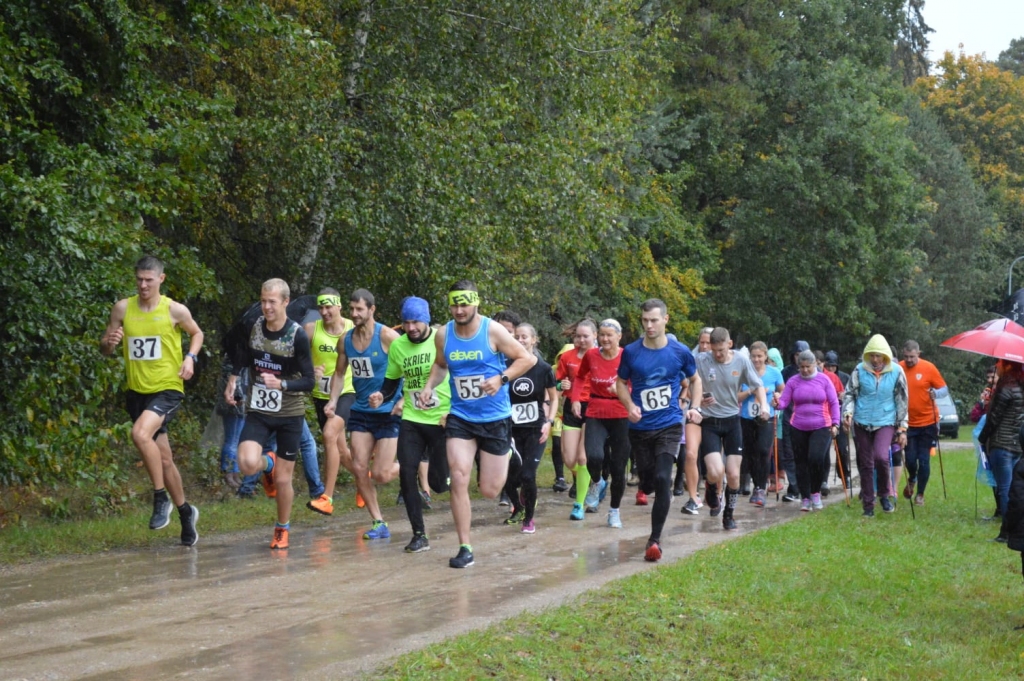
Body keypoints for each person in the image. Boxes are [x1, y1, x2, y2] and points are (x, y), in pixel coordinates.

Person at [418, 281, 537, 568]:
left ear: (476, 303)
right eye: (454, 304)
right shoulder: (443, 334)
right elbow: (440, 365)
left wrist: (502, 378)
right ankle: (465, 547)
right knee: (458, 476)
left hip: (495, 418)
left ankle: (507, 452)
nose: (459, 310)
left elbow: (527, 358)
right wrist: (428, 386)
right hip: (461, 417)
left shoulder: (492, 331)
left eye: (464, 304)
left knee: (489, 490)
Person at [100, 255, 202, 546]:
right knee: (165, 458)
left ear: (161, 279)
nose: (143, 285)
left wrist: (190, 358)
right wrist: (108, 343)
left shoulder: (174, 310)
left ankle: (160, 498)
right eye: (139, 280)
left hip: (168, 388)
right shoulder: (122, 308)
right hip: (137, 392)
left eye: (149, 280)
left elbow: (197, 333)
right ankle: (185, 513)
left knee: (139, 434)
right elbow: (105, 347)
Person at [226, 278, 315, 549]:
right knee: (246, 463)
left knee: (284, 481)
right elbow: (244, 355)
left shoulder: (297, 334)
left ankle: (282, 527)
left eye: (272, 302)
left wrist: (283, 383)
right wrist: (233, 378)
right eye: (263, 301)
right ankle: (269, 463)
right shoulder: (254, 327)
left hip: (289, 414)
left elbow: (309, 381)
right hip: (260, 410)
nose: (266, 307)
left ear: (285, 302)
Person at [616, 299, 702, 561]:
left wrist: (695, 407)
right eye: (645, 320)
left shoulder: (679, 352)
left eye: (654, 320)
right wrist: (629, 404)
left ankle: (655, 540)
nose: (649, 325)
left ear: (665, 319)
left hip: (669, 424)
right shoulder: (631, 352)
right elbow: (620, 383)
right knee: (650, 481)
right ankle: (650, 486)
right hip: (640, 427)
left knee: (664, 478)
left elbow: (695, 380)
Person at [367, 297, 451, 552]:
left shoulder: (442, 339)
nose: (411, 327)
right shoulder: (398, 345)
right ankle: (419, 535)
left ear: (426, 320)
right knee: (406, 473)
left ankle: (447, 479)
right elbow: (392, 380)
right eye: (406, 322)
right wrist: (382, 394)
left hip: (441, 418)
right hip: (412, 419)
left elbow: (459, 375)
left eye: (416, 321)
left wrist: (455, 412)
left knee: (438, 484)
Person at [324, 289, 402, 540]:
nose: (354, 314)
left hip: (388, 412)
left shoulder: (388, 337)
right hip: (361, 411)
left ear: (372, 310)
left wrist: (400, 399)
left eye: (359, 309)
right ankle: (378, 521)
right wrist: (333, 401)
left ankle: (413, 462)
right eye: (352, 309)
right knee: (359, 467)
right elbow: (338, 373)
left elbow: (408, 370)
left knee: (381, 473)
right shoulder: (345, 340)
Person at [696, 327, 770, 530]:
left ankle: (728, 514)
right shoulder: (702, 360)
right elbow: (688, 381)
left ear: (729, 344)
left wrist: (764, 405)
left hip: (732, 422)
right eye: (714, 350)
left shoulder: (741, 360)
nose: (717, 354)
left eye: (721, 350)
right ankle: (711, 487)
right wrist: (700, 397)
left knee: (734, 475)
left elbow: (758, 385)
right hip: (710, 421)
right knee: (715, 471)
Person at [571, 319, 630, 527]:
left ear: (619, 337)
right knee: (593, 456)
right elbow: (579, 377)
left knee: (618, 467)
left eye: (609, 335)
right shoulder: (591, 355)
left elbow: (637, 383)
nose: (605, 339)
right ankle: (597, 482)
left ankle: (614, 511)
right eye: (602, 335)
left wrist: (625, 391)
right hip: (596, 410)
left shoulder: (626, 356)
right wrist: (576, 399)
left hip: (621, 413)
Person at [841, 334, 908, 517]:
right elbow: (850, 394)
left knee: (881, 457)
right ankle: (868, 506)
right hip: (862, 421)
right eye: (872, 355)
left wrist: (902, 428)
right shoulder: (859, 370)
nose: (875, 359)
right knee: (866, 463)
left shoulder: (896, 371)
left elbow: (902, 400)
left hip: (885, 421)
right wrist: (847, 414)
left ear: (885, 355)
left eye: (878, 355)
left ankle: (885, 495)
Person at [304, 288, 356, 516]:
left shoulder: (353, 329)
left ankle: (327, 497)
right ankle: (365, 480)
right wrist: (307, 371)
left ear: (339, 306)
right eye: (321, 307)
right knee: (342, 451)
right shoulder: (310, 330)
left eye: (329, 307)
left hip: (347, 391)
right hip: (320, 395)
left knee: (328, 435)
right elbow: (294, 356)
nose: (324, 312)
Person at [504, 323, 558, 533]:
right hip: (512, 430)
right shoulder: (507, 366)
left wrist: (549, 422)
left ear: (534, 340)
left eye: (525, 336)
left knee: (528, 475)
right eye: (517, 336)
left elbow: (554, 399)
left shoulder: (543, 368)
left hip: (535, 428)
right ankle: (517, 505)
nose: (520, 340)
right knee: (507, 479)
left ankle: (529, 519)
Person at [777, 350, 841, 511]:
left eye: (808, 367)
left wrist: (836, 423)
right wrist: (776, 403)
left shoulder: (824, 380)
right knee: (801, 462)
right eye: (802, 367)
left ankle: (815, 492)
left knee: (816, 458)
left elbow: (833, 403)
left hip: (821, 425)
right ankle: (805, 497)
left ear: (815, 365)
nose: (805, 370)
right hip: (798, 426)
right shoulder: (793, 381)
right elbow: (784, 402)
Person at [899, 340, 949, 506]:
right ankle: (912, 477)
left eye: (912, 357)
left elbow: (944, 389)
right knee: (911, 459)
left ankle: (920, 494)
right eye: (906, 357)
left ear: (918, 354)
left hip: (928, 421)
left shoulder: (929, 367)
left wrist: (936, 393)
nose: (909, 360)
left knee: (924, 459)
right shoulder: (899, 368)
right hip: (908, 423)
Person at [979, 359, 1024, 542]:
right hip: (1017, 444)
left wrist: (983, 438)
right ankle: (1012, 529)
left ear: (1007, 366)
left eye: (999, 364)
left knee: (1004, 489)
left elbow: (994, 418)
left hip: (1001, 443)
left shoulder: (1005, 389)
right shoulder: (1021, 387)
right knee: (1013, 489)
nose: (997, 367)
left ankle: (1006, 532)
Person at [556, 320, 598, 517]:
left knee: (583, 457)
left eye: (586, 336)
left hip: (593, 408)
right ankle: (594, 480)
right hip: (571, 407)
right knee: (570, 459)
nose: (581, 340)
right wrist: (560, 385)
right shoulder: (567, 357)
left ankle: (579, 504)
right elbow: (556, 381)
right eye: (578, 336)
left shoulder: (600, 356)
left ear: (595, 336)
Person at [739, 341, 785, 507]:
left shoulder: (774, 373)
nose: (757, 359)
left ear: (766, 356)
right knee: (750, 453)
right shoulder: (743, 372)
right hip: (746, 417)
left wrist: (777, 398)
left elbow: (782, 390)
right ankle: (755, 485)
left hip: (767, 416)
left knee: (764, 451)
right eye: (753, 356)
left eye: (760, 356)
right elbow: (736, 397)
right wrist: (752, 390)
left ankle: (760, 487)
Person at [824, 351, 852, 490]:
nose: (831, 369)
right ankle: (823, 480)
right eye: (828, 366)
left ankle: (845, 474)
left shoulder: (845, 378)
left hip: (840, 416)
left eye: (833, 366)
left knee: (842, 448)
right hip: (826, 416)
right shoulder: (822, 377)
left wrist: (844, 397)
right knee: (824, 450)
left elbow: (851, 395)